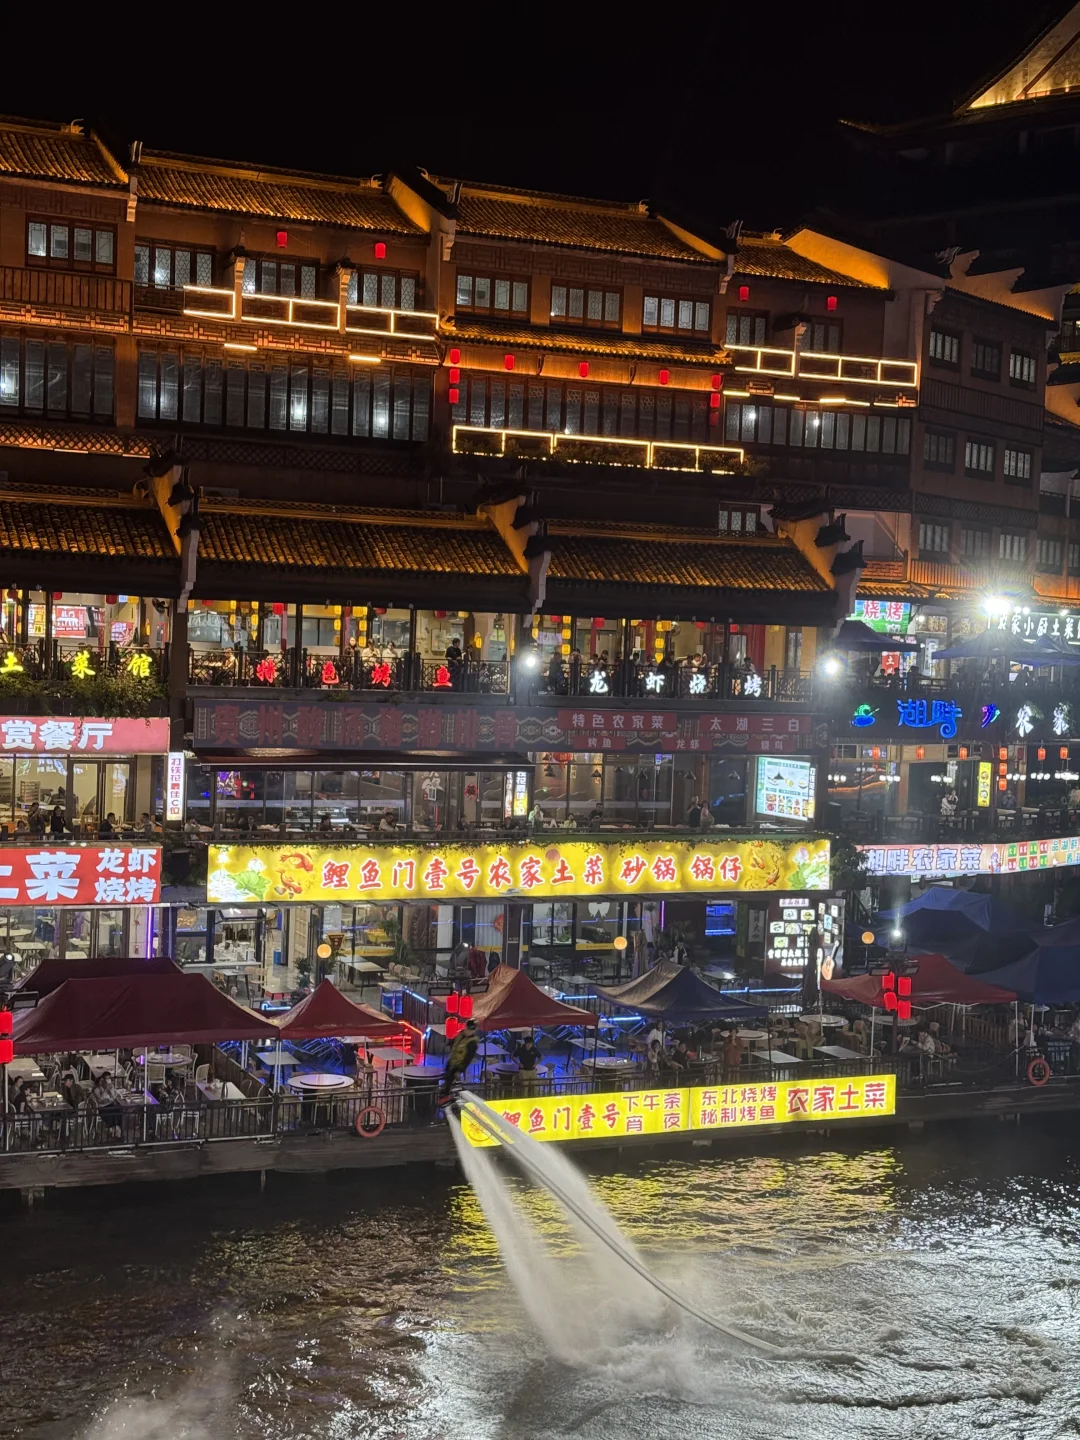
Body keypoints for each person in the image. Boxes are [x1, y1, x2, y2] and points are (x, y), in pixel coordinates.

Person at [439, 1019, 479, 1101]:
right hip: (452, 1060)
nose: (468, 1031)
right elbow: (454, 1042)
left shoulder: (472, 1042)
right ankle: (445, 1092)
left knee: (451, 1079)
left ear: (474, 1031)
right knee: (447, 1077)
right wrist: (449, 1042)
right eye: (467, 1029)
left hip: (459, 1064)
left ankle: (447, 1095)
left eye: (470, 1030)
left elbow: (468, 1057)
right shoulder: (460, 1034)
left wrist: (462, 1069)